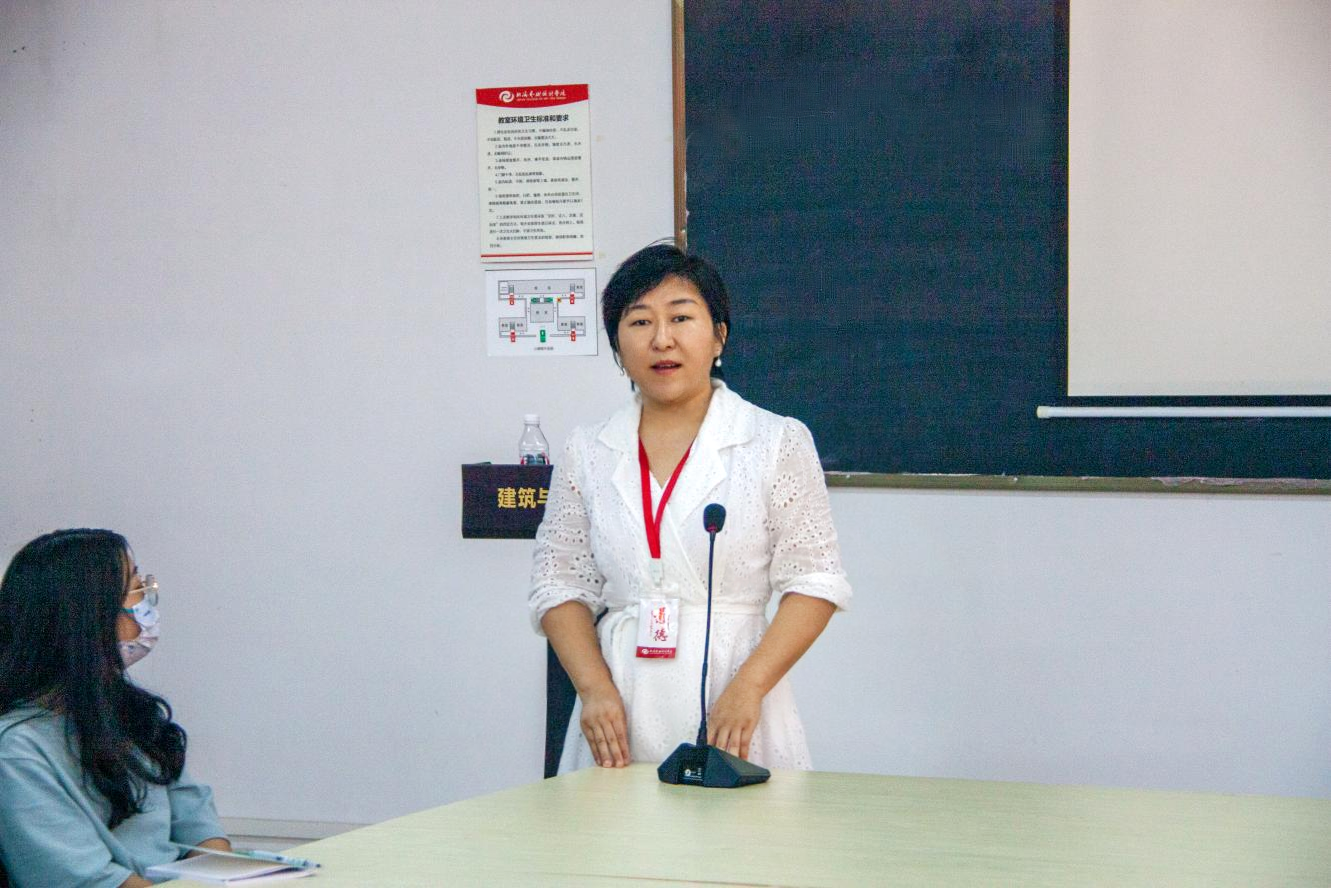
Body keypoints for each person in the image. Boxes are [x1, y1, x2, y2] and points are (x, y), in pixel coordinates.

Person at [530, 243, 852, 773]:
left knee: (740, 826)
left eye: (681, 317)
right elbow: (558, 583)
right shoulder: (588, 450)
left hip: (735, 700)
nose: (662, 339)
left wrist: (749, 688)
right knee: (614, 828)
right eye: (640, 322)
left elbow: (815, 582)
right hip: (620, 706)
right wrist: (593, 689)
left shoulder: (774, 441)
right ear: (617, 345)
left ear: (719, 335)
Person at [0, 529, 229, 888]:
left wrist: (228, 877)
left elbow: (195, 819)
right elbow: (84, 878)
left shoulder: (130, 713)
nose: (147, 603)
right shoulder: (16, 748)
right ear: (87, 617)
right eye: (136, 588)